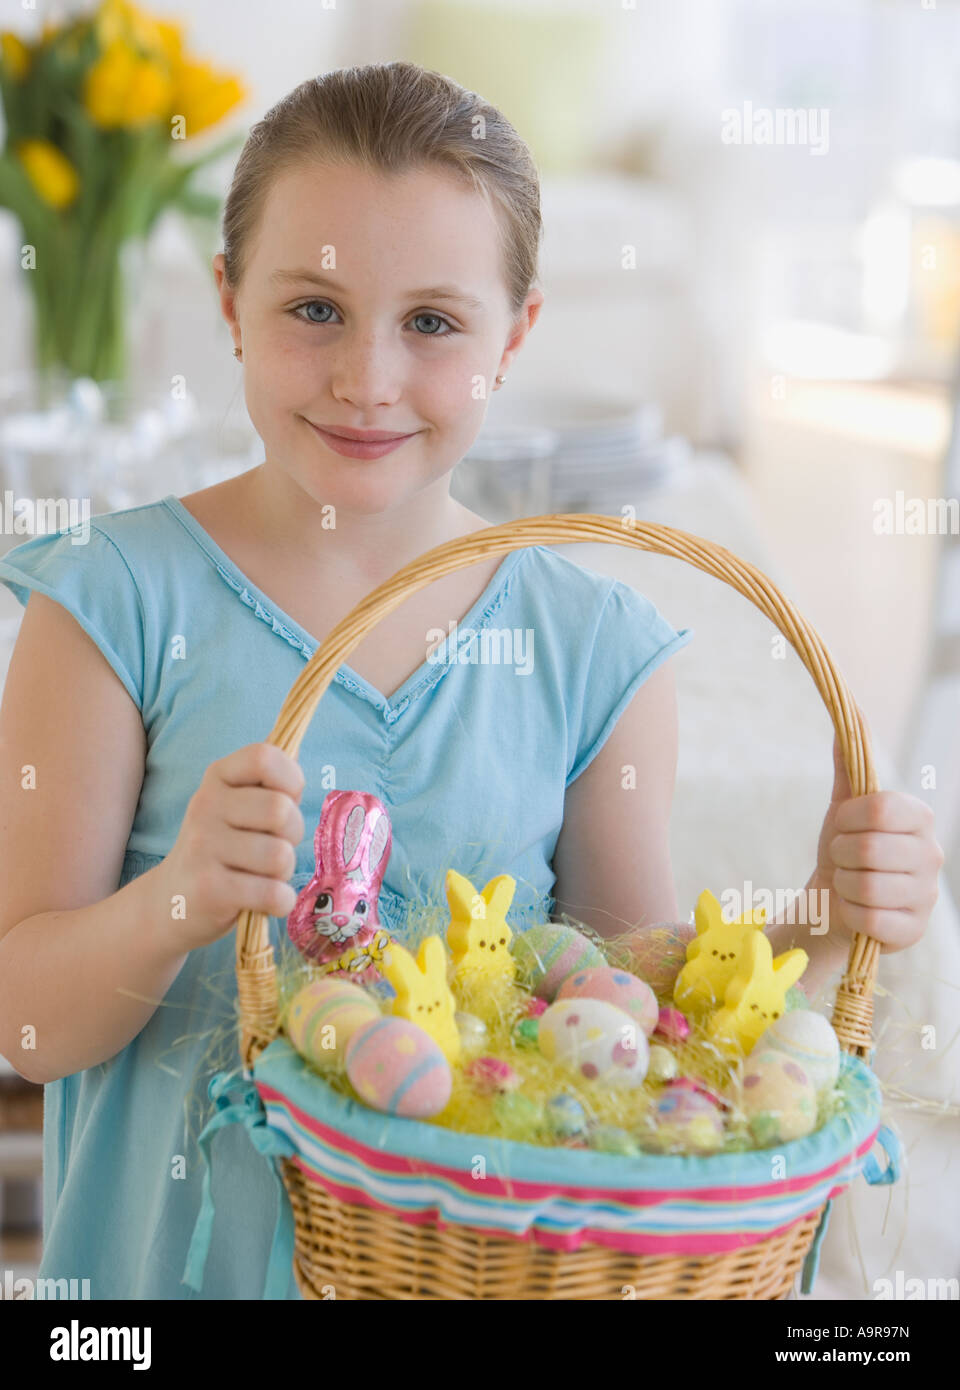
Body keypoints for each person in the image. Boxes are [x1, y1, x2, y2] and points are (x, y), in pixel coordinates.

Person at [0, 62, 943, 1301]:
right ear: (229, 304)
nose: (369, 379)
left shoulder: (593, 648)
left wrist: (816, 918)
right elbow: (31, 1024)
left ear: (519, 335)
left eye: (433, 323)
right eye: (314, 309)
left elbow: (622, 1004)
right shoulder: (113, 603)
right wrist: (179, 894)